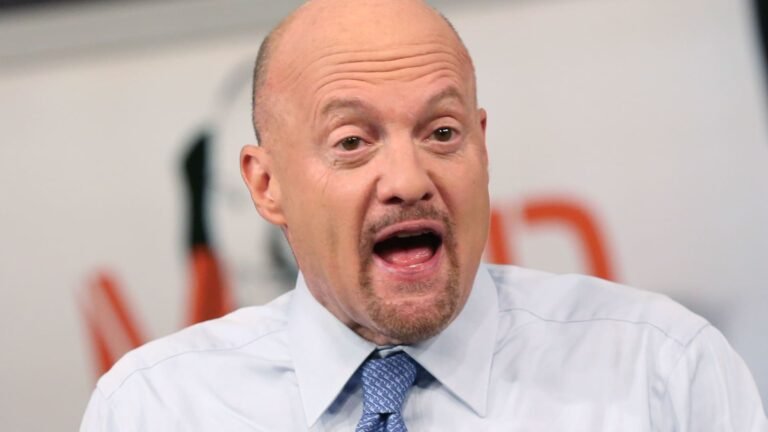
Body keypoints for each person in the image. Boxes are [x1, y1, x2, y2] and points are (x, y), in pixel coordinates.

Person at [80, 0, 768, 430]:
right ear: (266, 185)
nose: (409, 181)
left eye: (442, 133)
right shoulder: (156, 408)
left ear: (482, 147)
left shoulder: (660, 371)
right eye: (353, 142)